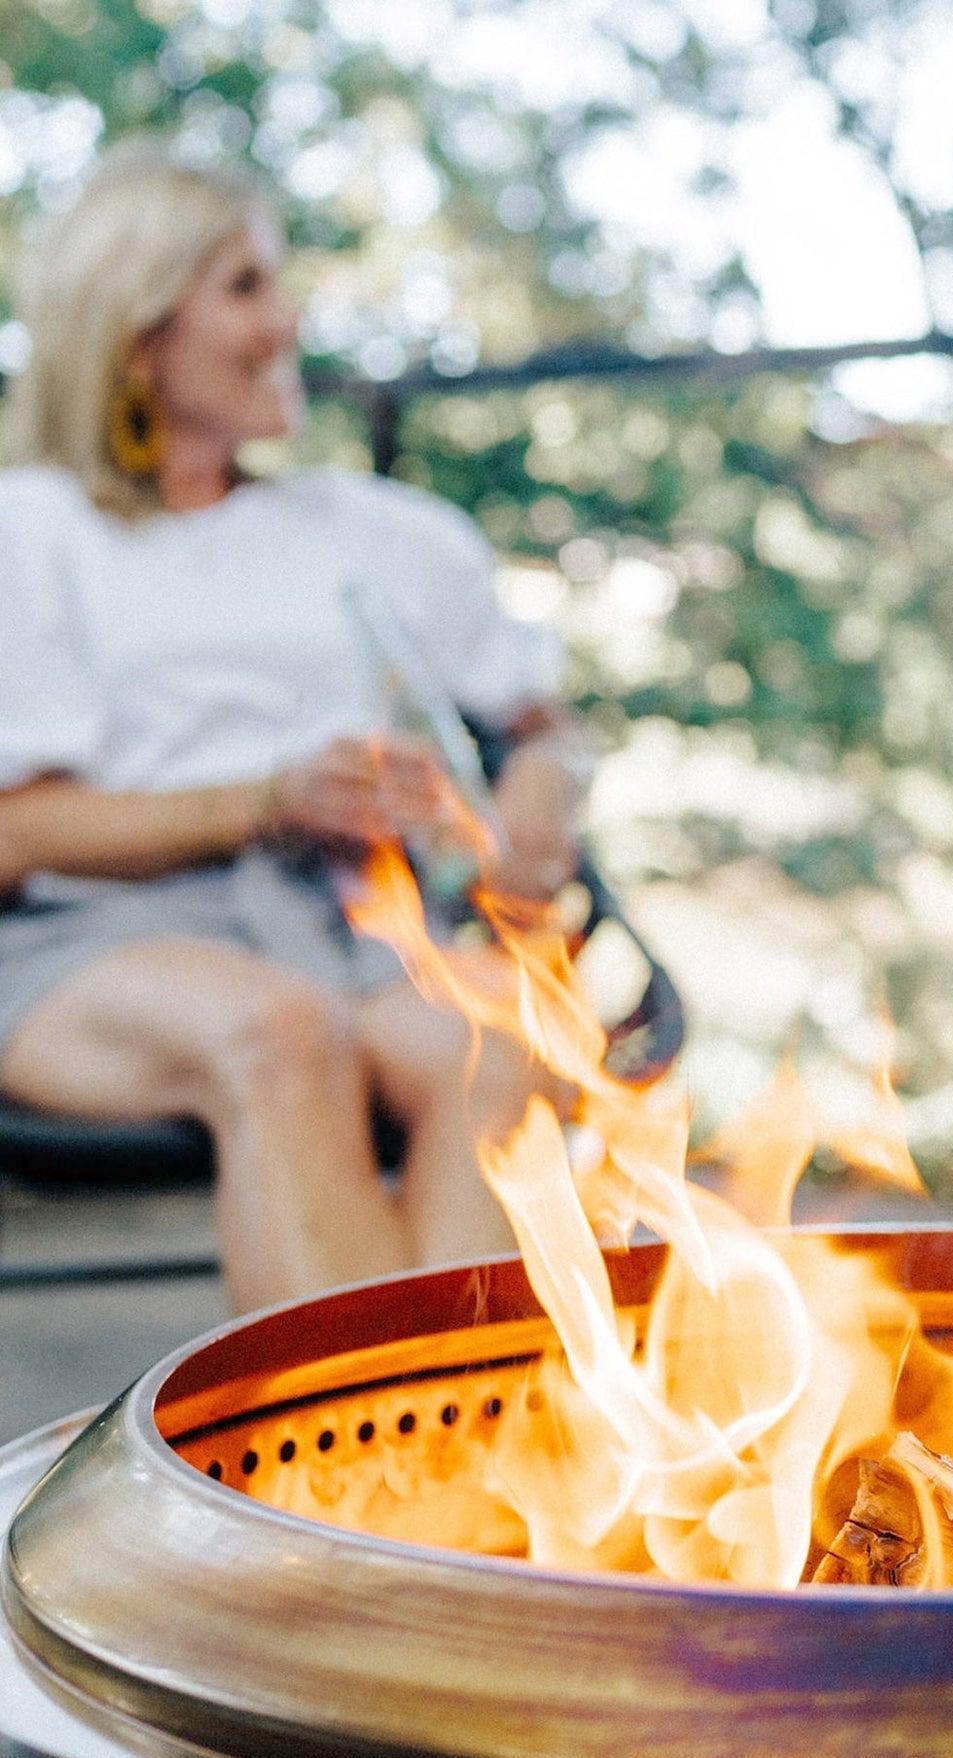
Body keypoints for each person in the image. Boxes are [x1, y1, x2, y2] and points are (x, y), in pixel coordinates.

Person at [0, 144, 589, 1313]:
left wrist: (535, 806)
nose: (289, 317)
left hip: (351, 924)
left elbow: (548, 728)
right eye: (246, 286)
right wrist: (267, 798)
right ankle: (354, 1469)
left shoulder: (369, 530)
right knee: (281, 1034)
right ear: (137, 329)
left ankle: (464, 1464)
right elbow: (17, 832)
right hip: (89, 943)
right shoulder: (32, 532)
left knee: (509, 1033)